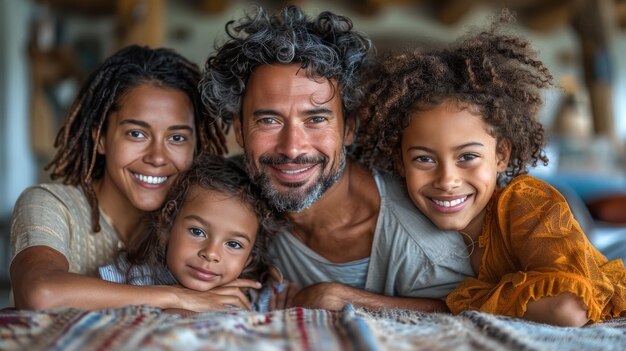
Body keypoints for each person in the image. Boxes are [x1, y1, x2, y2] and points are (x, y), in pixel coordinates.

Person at [200, 5, 473, 311]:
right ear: (239, 130)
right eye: (269, 121)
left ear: (349, 129)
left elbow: (469, 316)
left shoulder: (422, 247)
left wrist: (341, 298)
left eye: (315, 120)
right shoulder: (220, 196)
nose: (292, 149)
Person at [356, 18, 626, 326]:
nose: (447, 180)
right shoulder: (398, 211)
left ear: (501, 155)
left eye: (468, 156)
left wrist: (458, 301)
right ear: (400, 162)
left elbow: (568, 308)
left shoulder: (527, 204)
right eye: (424, 160)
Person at [10, 45, 262, 311]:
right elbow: (40, 293)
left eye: (176, 138)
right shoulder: (52, 205)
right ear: (101, 139)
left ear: (196, 147)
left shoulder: (197, 224)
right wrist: (176, 296)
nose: (157, 157)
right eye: (137, 134)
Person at [99, 154, 284, 312]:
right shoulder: (128, 278)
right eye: (197, 232)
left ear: (248, 259)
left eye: (234, 244)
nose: (211, 253)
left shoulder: (253, 296)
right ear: (166, 228)